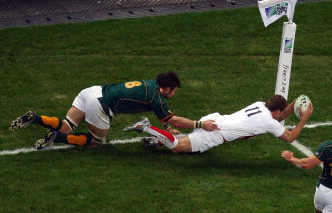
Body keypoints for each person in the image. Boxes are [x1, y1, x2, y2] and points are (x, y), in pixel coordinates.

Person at [9, 71, 210, 150]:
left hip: (92, 91)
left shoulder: (151, 85)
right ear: (167, 88)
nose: (174, 93)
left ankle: (35, 118)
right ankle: (57, 139)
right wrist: (199, 124)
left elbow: (163, 116)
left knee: (67, 125)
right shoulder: (158, 99)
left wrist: (166, 124)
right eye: (174, 90)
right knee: (97, 141)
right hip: (101, 106)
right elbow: (174, 120)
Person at [122, 94, 313, 153]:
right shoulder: (268, 122)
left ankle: (156, 140)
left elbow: (278, 116)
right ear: (277, 111)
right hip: (215, 133)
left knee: (185, 140)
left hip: (216, 120)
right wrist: (303, 118)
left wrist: (293, 104)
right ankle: (145, 126)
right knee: (176, 148)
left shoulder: (260, 105)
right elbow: (289, 138)